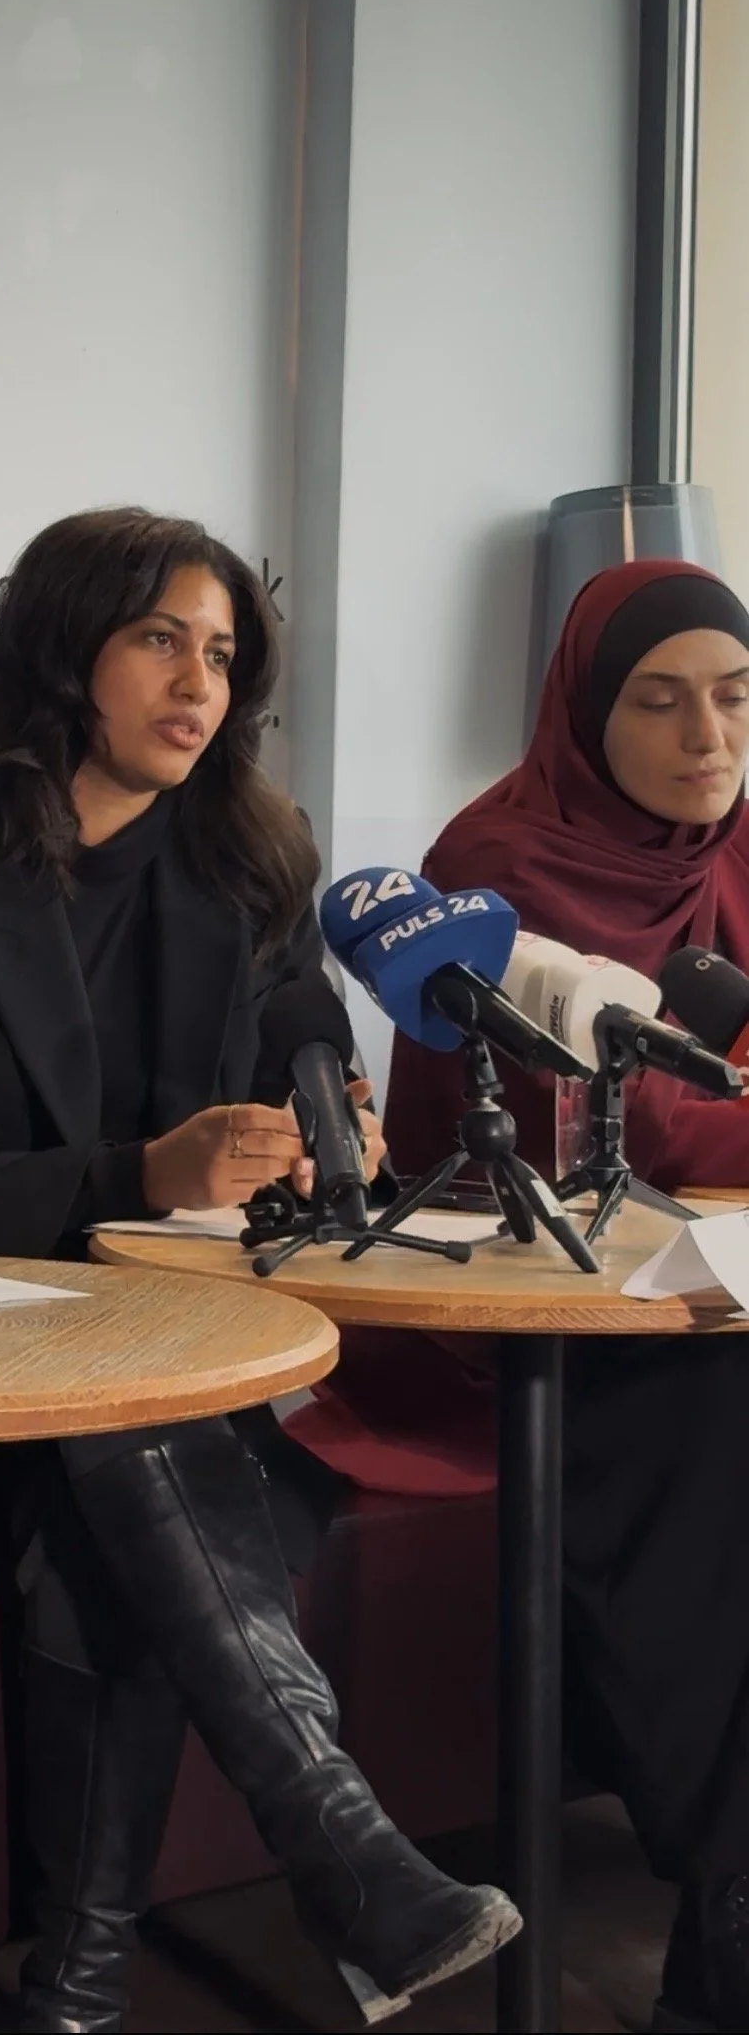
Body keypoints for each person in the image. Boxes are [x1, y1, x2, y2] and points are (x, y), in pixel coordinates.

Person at [0, 505, 521, 2034]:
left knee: (131, 1462)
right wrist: (141, 1173)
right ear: (66, 652)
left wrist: (333, 1116)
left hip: (181, 1377)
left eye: (218, 654)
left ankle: (74, 1993)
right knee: (129, 1434)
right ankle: (346, 1861)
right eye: (156, 641)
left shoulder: (253, 870)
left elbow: (301, 1043)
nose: (196, 685)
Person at [291, 558, 749, 2034]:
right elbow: (625, 1125)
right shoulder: (496, 859)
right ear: (580, 712)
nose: (707, 741)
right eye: (661, 702)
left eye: (735, 700)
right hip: (509, 1317)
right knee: (715, 1398)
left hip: (696, 1286)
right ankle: (728, 1890)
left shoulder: (740, 842)